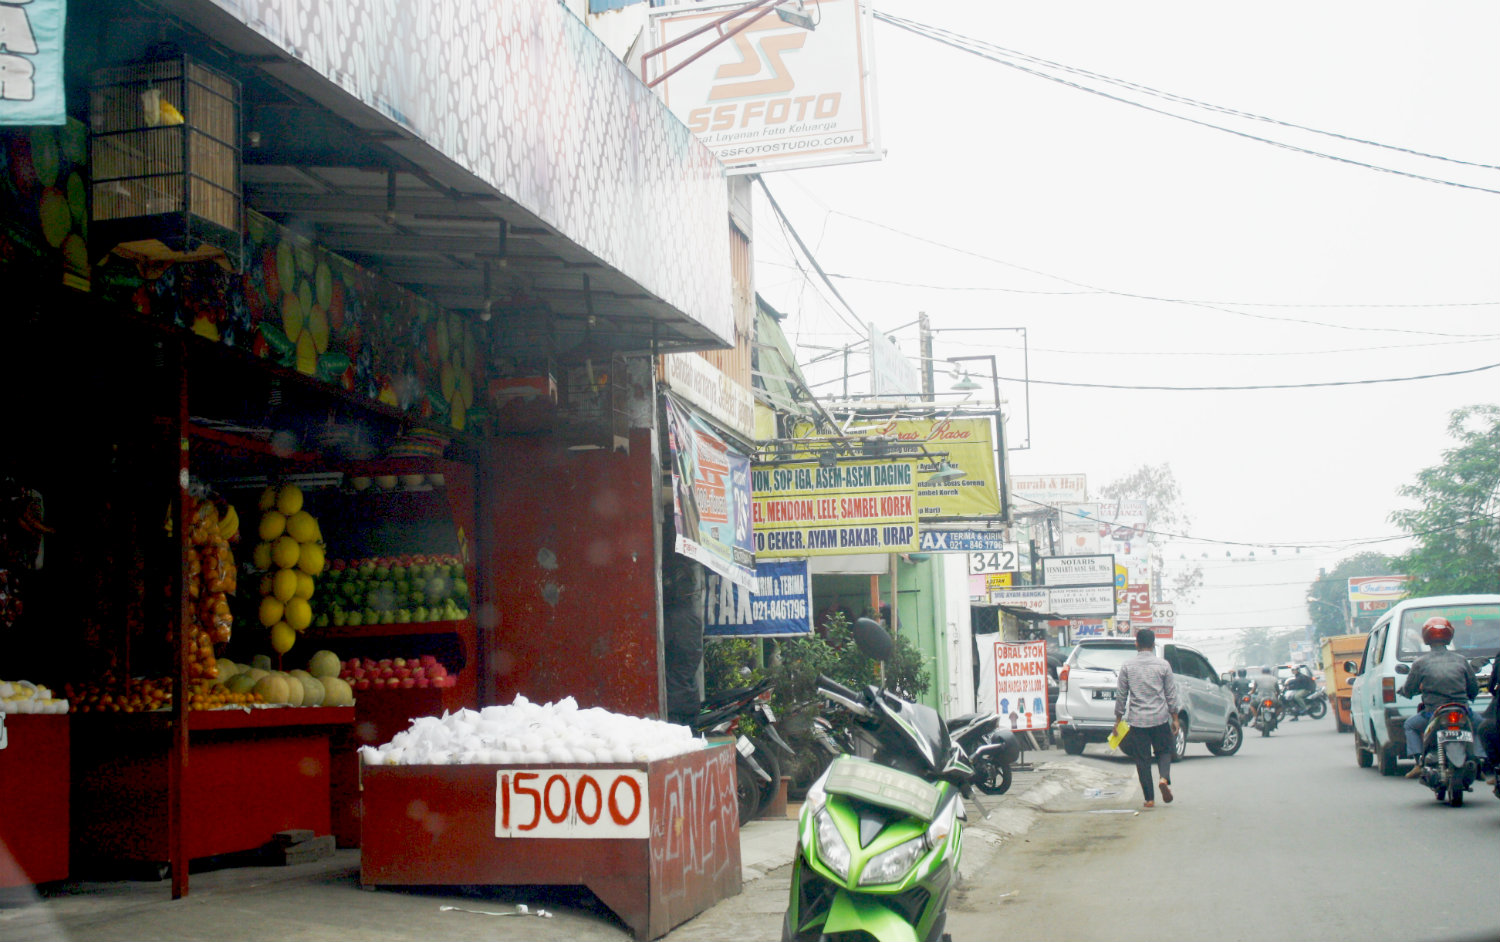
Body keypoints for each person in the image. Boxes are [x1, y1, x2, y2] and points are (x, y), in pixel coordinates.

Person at [1401, 616, 1479, 778]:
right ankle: (1482, 761)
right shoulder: (1461, 660)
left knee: (1410, 725)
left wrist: (1406, 691)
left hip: (1433, 713)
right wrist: (1469, 696)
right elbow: (1473, 687)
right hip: (1462, 710)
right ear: (1450, 635)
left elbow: (1410, 689)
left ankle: (1418, 762)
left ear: (1426, 637)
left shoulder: (1420, 663)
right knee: (1482, 727)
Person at [1115, 627, 1180, 808]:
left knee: (1142, 759)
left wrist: (1118, 721)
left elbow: (1121, 695)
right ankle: (1164, 779)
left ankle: (1149, 799)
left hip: (1137, 720)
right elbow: (1170, 695)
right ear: (1152, 644)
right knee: (1165, 750)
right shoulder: (1163, 665)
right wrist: (1174, 717)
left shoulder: (1127, 666)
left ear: (1136, 644)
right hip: (1159, 717)